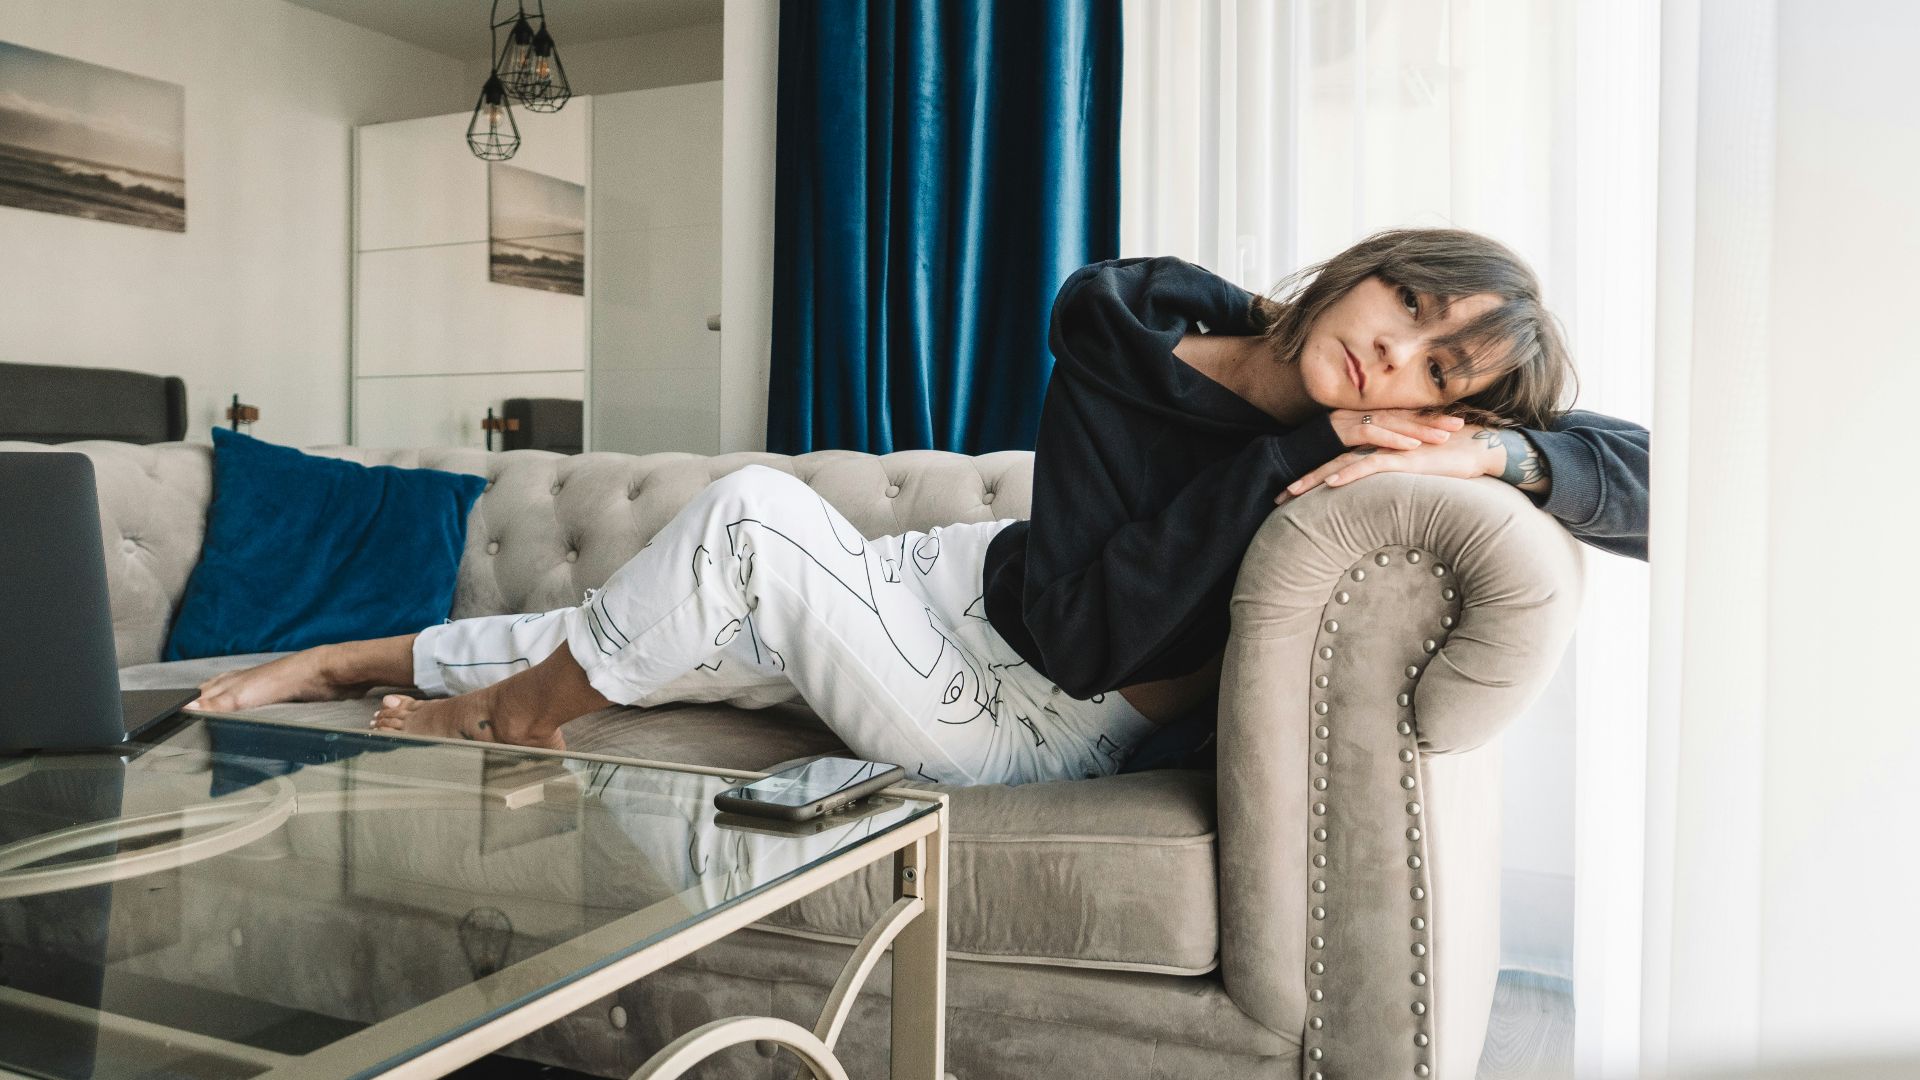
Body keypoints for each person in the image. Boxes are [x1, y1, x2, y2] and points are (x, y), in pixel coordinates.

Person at [192, 228, 1649, 786]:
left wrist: (1501, 460)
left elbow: (1653, 474)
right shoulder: (1130, 326)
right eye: (1405, 306)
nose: (1394, 354)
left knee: (748, 523)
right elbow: (1070, 557)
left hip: (1032, 711)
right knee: (663, 623)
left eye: (1438, 369)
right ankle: (346, 661)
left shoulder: (1343, 459)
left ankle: (501, 719)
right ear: (1364, 266)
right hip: (966, 593)